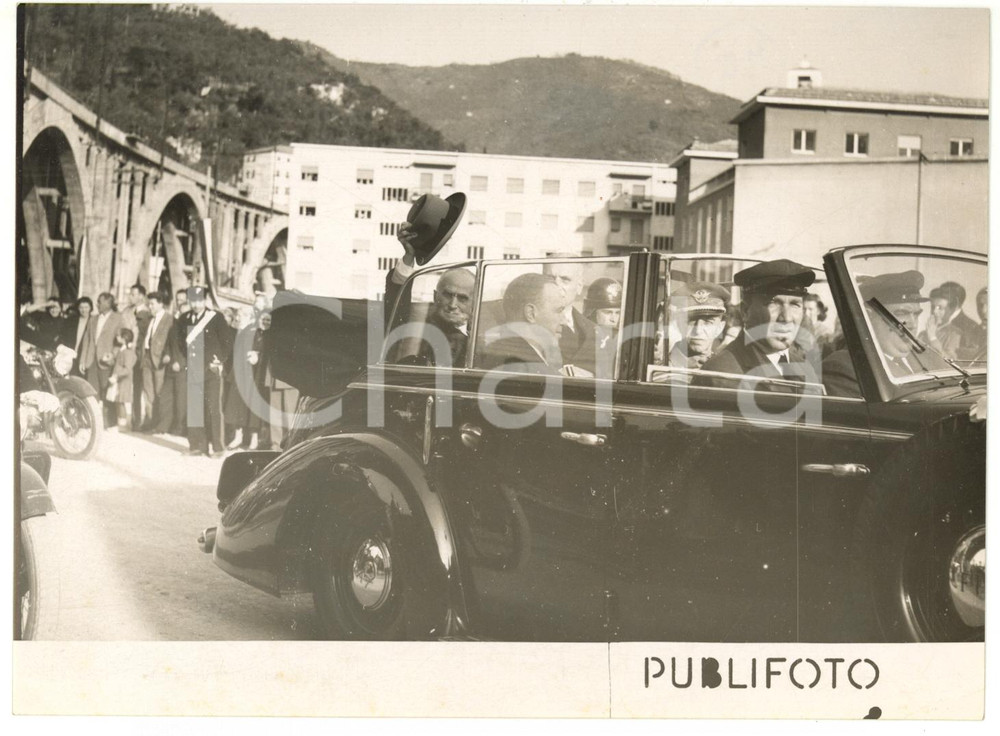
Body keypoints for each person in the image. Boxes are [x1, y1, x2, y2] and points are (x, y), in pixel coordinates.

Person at [699, 259, 815, 389]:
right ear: (745, 311)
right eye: (774, 303)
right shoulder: (721, 375)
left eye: (795, 304)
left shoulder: (805, 368)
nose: (787, 318)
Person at [822, 270, 936, 397]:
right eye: (901, 313)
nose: (913, 324)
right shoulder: (845, 367)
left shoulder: (928, 358)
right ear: (868, 317)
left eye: (916, 314)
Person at [389, 223, 476, 366]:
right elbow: (396, 298)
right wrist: (410, 255)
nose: (453, 305)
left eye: (462, 298)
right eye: (448, 295)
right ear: (436, 296)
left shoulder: (476, 340)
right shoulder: (417, 325)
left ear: (475, 302)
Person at [174, 286, 232, 456]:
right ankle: (197, 446)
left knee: (214, 408)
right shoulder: (184, 318)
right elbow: (180, 342)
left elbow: (227, 343)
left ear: (205, 300)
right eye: (193, 301)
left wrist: (219, 360)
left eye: (199, 300)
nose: (196, 304)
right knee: (194, 409)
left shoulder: (215, 318)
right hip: (194, 368)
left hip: (212, 369)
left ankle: (218, 447)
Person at [479, 273, 572, 374]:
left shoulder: (511, 353)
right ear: (531, 313)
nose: (565, 321)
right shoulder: (514, 364)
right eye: (558, 311)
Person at [543, 258, 600, 374]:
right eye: (550, 279)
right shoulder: (527, 325)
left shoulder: (594, 330)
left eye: (565, 280)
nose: (557, 285)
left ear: (579, 287)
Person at [666, 281, 730, 370]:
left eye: (709, 322)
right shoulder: (660, 371)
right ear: (679, 324)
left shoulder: (723, 369)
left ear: (720, 327)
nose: (698, 330)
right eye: (691, 321)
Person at [139, 291, 174, 432]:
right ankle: (149, 420)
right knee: (148, 392)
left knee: (160, 392)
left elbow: (172, 340)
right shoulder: (150, 318)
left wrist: (168, 355)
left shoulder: (169, 319)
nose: (150, 307)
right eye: (148, 304)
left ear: (161, 304)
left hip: (160, 360)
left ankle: (160, 424)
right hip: (147, 358)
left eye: (152, 304)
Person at [921, 281, 982, 361]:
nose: (934, 311)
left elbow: (951, 362)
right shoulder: (922, 334)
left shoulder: (957, 333)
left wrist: (932, 338)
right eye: (933, 307)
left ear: (951, 308)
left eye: (940, 308)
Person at [89, 292, 124, 427]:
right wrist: (83, 359)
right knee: (92, 391)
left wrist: (112, 355)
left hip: (106, 360)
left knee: (107, 391)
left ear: (108, 303)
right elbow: (88, 340)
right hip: (92, 360)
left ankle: (110, 423)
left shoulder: (118, 318)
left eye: (100, 302)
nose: (97, 304)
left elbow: (120, 341)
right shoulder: (93, 319)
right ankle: (93, 422)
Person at [107, 328, 137, 430]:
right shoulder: (122, 349)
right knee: (119, 401)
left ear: (124, 338)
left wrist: (116, 375)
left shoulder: (127, 352)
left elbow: (127, 369)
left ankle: (123, 425)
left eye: (119, 336)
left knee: (122, 402)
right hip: (120, 381)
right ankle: (121, 424)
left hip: (124, 381)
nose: (117, 337)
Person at [71, 296, 96, 377]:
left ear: (90, 308)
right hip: (71, 353)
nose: (83, 310)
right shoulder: (72, 320)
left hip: (83, 355)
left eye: (86, 307)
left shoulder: (94, 321)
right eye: (81, 307)